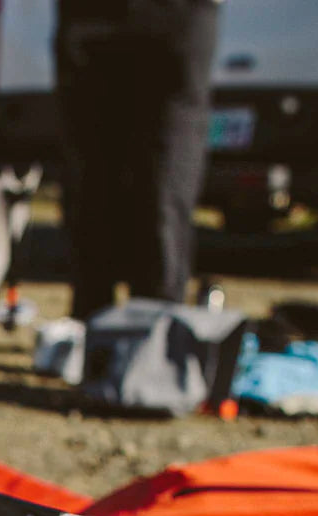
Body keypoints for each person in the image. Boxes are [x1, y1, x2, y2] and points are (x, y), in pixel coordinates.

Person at [55, 0, 221, 320]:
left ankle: (155, 330)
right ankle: (92, 328)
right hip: (90, 18)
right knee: (90, 192)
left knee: (163, 195)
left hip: (177, 16)